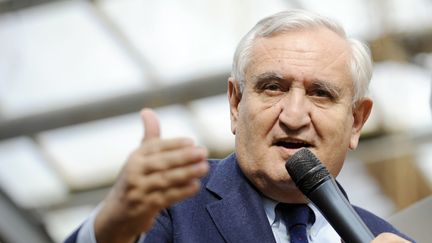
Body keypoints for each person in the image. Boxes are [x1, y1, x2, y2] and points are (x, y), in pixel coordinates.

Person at [65, 10, 414, 243]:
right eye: (273, 87)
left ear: (356, 121)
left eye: (321, 94)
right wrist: (111, 227)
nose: (293, 116)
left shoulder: (382, 236)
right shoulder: (171, 205)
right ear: (235, 104)